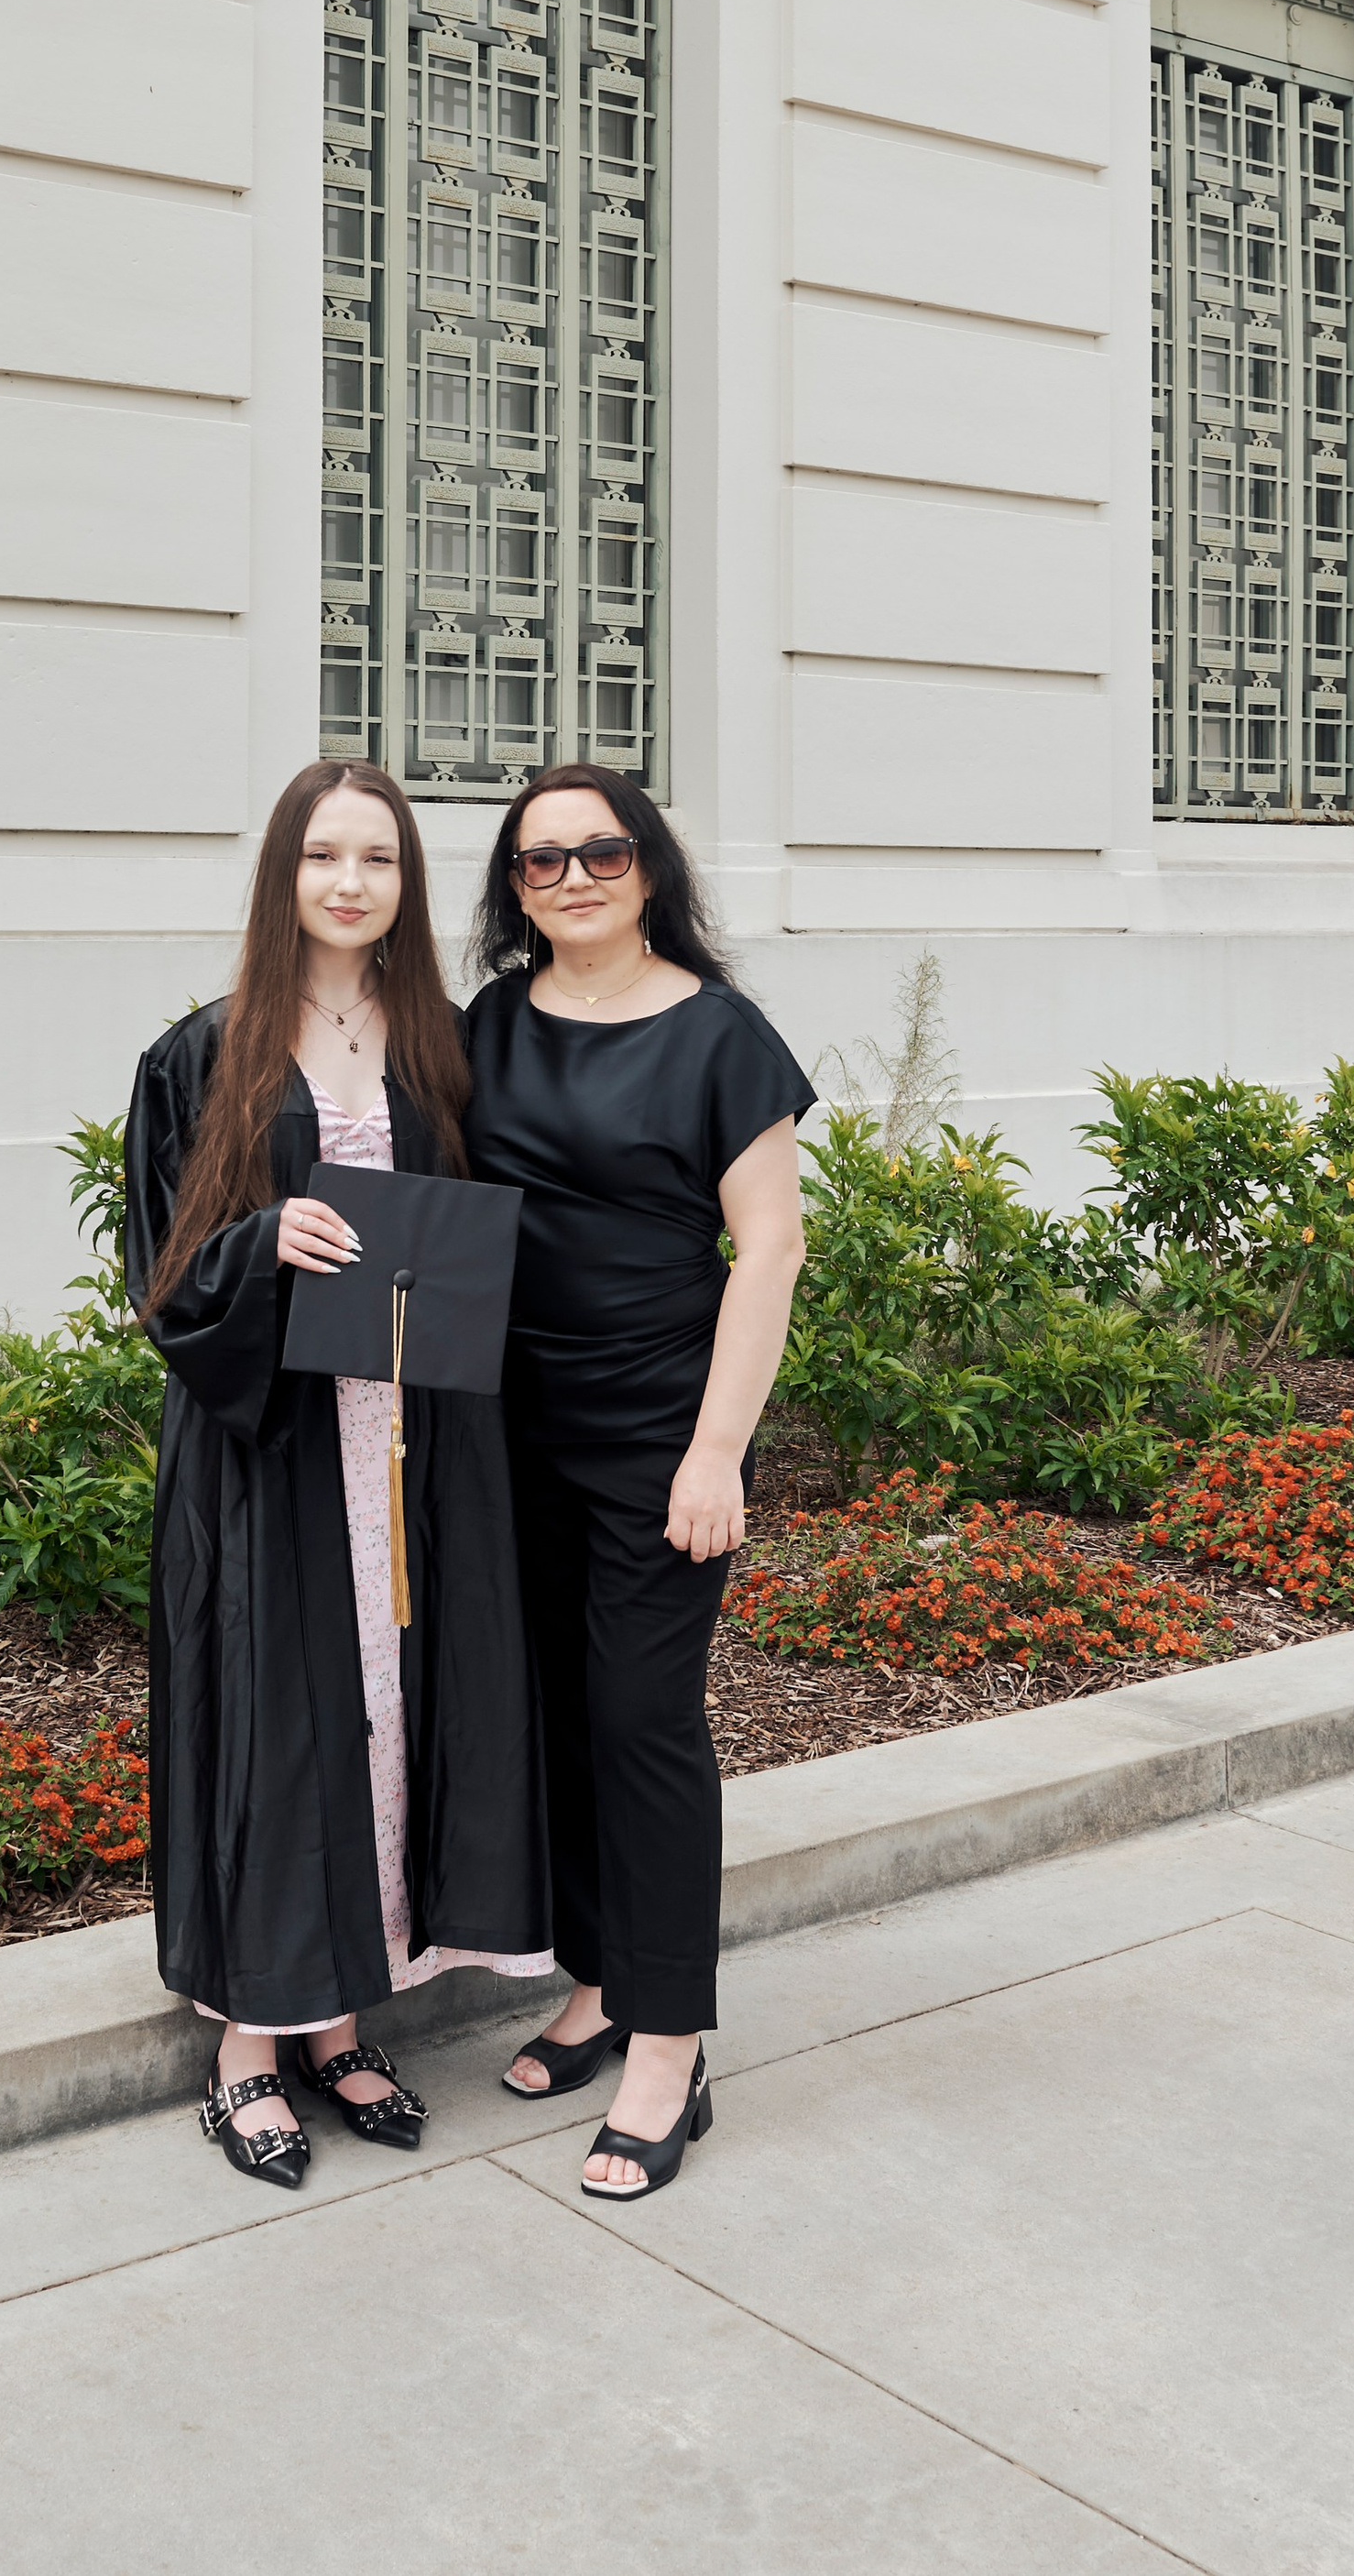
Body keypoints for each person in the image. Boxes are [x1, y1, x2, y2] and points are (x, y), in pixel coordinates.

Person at [124, 761, 551, 2192]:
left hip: (415, 1447)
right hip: (275, 1448)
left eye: (378, 856)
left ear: (406, 882)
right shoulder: (207, 1054)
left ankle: (342, 2016)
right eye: (324, 856)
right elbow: (163, 1281)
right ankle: (249, 2042)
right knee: (280, 1723)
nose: (352, 881)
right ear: (284, 876)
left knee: (385, 1714)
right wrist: (266, 1244)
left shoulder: (439, 1045)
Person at [462, 763, 812, 2202]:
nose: (575, 876)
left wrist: (717, 1447)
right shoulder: (491, 1025)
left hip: (658, 1440)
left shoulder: (721, 1035)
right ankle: (601, 1981)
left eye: (602, 850)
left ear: (650, 867)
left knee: (642, 1724)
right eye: (543, 861)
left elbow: (770, 1250)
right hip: (502, 1432)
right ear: (516, 889)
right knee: (558, 1720)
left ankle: (670, 2044)